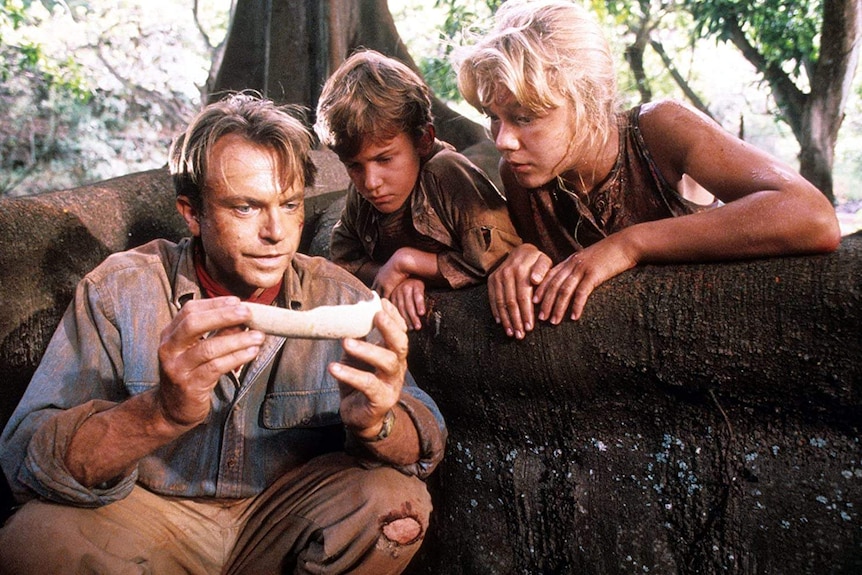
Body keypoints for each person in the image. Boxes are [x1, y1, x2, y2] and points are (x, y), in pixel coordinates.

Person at [0, 93, 447, 574]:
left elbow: (426, 440)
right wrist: (159, 414)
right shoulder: (119, 291)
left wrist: (378, 423)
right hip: (149, 515)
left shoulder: (340, 296)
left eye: (290, 204)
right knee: (33, 539)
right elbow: (26, 458)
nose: (276, 232)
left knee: (394, 503)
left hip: (278, 516)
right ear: (192, 213)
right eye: (245, 208)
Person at [453, 0, 842, 340]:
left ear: (590, 99)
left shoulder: (660, 130)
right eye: (493, 117)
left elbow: (812, 217)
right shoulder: (521, 178)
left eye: (524, 117)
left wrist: (629, 244)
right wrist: (521, 259)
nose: (502, 140)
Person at [315, 49, 522, 331]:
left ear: (423, 140)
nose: (370, 182)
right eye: (353, 166)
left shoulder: (447, 175)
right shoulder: (362, 191)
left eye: (384, 159)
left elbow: (496, 259)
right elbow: (344, 260)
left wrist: (408, 262)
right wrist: (396, 277)